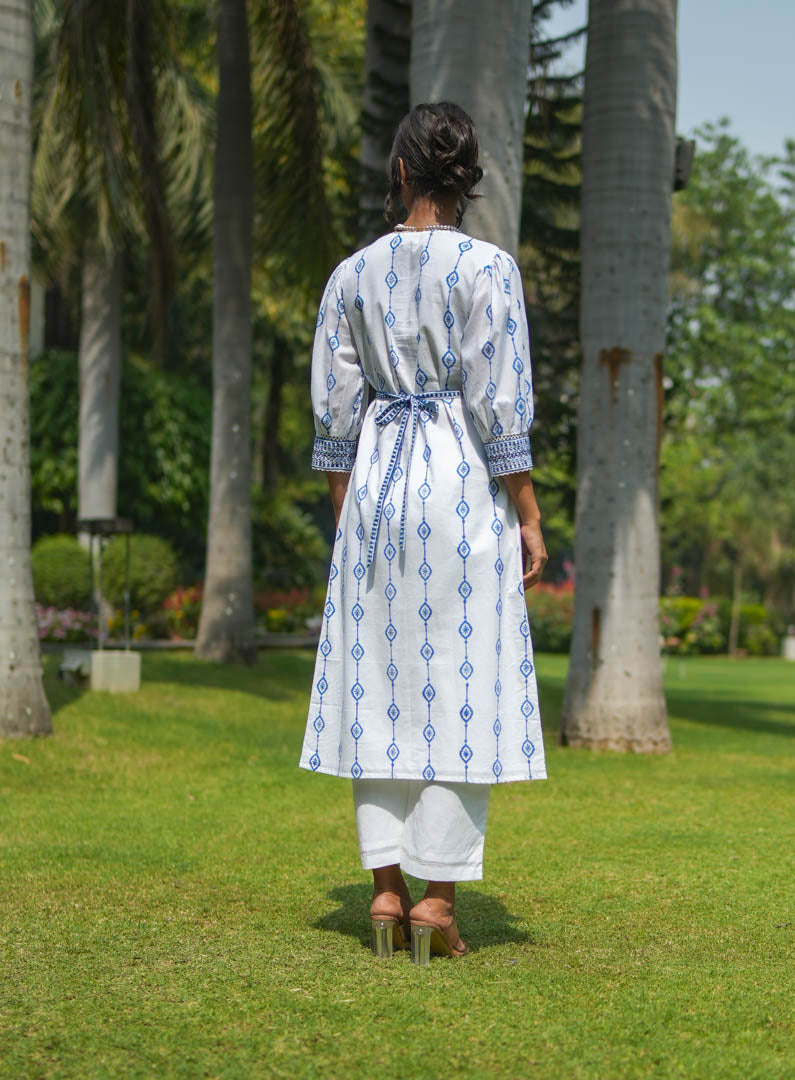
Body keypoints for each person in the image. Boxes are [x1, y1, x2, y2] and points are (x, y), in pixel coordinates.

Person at [299, 102, 548, 964]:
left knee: (379, 682)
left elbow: (335, 407)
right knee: (460, 681)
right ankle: (437, 901)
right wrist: (526, 507)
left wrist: (348, 504)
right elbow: (497, 398)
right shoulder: (489, 268)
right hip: (459, 485)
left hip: (377, 481)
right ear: (464, 179)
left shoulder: (351, 276)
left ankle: (384, 890)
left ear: (400, 173)